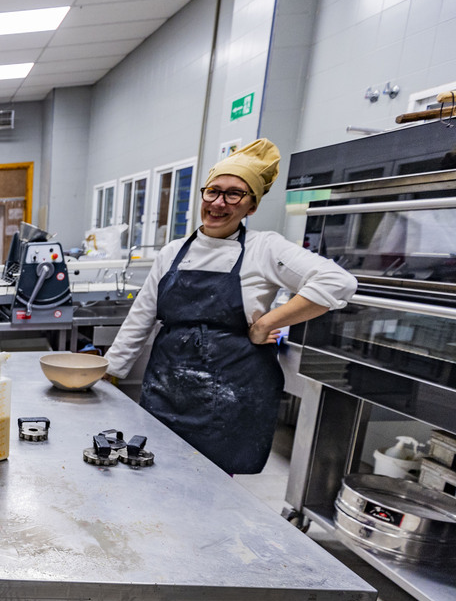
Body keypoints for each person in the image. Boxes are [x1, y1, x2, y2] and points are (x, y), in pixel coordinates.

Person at [104, 139, 357, 474]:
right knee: (154, 473)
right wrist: (108, 374)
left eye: (234, 194)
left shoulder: (264, 248)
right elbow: (141, 318)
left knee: (212, 487)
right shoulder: (172, 252)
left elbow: (337, 282)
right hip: (167, 389)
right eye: (213, 191)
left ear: (251, 206)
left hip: (231, 396)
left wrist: (267, 324)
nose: (219, 203)